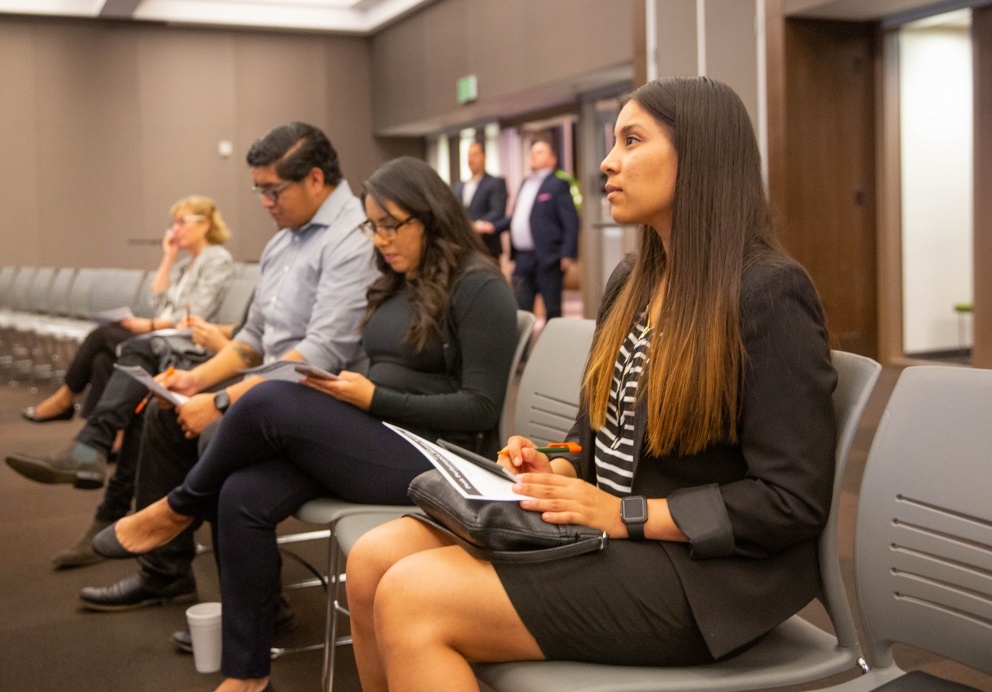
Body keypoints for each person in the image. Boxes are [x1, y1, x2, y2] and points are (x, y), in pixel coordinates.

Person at [332, 76, 837, 692]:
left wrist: (627, 513)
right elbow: (591, 438)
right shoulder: (632, 279)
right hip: (613, 533)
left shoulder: (768, 293)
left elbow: (792, 500)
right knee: (370, 562)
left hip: (702, 574)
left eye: (631, 140)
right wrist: (553, 467)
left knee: (414, 596)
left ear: (699, 156)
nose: (606, 161)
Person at [90, 156, 519, 692]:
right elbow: (385, 367)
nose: (380, 239)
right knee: (242, 493)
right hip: (379, 430)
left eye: (392, 225)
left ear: (431, 219)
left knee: (268, 399)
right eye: (372, 225)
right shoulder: (400, 280)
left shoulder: (480, 288)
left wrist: (372, 396)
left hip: (440, 457)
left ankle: (178, 508)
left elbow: (479, 409)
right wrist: (348, 388)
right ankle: (247, 675)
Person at [60, 122, 378, 618]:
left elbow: (322, 353)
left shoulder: (352, 239)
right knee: (168, 416)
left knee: (218, 433)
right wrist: (197, 381)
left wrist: (227, 400)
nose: (265, 202)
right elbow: (252, 339)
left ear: (315, 179)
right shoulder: (284, 241)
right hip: (277, 387)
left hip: (327, 399)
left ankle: (254, 607)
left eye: (274, 190)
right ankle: (164, 575)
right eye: (259, 190)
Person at [20, 197, 234, 423]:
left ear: (206, 224)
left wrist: (149, 325)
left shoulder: (217, 259)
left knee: (101, 336)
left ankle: (66, 399)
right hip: (164, 333)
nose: (175, 230)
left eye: (182, 222)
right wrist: (168, 257)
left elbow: (195, 314)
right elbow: (158, 302)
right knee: (102, 360)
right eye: (173, 223)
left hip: (187, 341)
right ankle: (97, 439)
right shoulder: (185, 264)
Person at [489, 140, 578, 319]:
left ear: (552, 159)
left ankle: (553, 347)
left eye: (539, 152)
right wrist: (492, 226)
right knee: (521, 311)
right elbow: (517, 219)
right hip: (522, 258)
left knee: (552, 311)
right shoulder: (525, 183)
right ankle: (523, 348)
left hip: (548, 258)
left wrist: (567, 253)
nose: (533, 155)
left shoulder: (557, 184)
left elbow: (571, 221)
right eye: (532, 152)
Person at [452, 142, 508, 259]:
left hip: (486, 246)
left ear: (484, 157)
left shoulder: (494, 183)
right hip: (465, 247)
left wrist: (474, 225)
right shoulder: (460, 186)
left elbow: (497, 212)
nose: (471, 159)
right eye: (469, 156)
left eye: (475, 155)